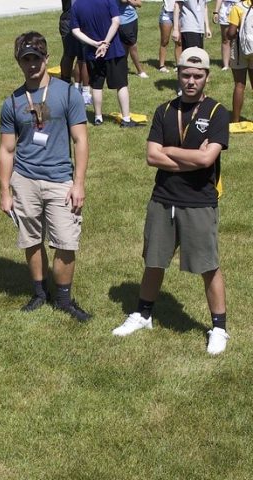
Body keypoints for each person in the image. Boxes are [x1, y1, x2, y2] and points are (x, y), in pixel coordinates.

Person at [112, 48, 230, 355]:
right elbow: (152, 156)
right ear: (177, 74)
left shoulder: (218, 113)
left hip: (199, 201)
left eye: (197, 75)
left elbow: (208, 158)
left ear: (207, 77)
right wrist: (190, 158)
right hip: (163, 198)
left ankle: (219, 328)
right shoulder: (164, 110)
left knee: (208, 265)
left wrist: (171, 151)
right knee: (154, 259)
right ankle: (143, 314)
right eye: (186, 75)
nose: (191, 81)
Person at [0, 32, 91, 321]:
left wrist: (78, 184)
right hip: (24, 179)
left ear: (46, 59)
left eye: (36, 59)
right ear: (19, 62)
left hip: (60, 179)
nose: (32, 65)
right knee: (30, 239)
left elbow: (81, 141)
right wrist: (5, 191)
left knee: (65, 241)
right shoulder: (12, 102)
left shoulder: (67, 93)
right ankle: (40, 293)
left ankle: (63, 299)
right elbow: (6, 149)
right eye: (26, 60)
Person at [71, 0, 140, 127]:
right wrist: (105, 43)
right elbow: (116, 21)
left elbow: (75, 30)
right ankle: (126, 119)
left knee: (96, 86)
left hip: (93, 52)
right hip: (114, 50)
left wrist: (94, 43)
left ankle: (98, 117)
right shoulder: (109, 0)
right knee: (121, 84)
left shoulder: (77, 5)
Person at [59, 0, 93, 105]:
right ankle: (84, 92)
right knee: (82, 58)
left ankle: (69, 86)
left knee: (71, 55)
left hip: (68, 17)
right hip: (77, 17)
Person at [226, 0, 253, 123]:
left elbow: (231, 33)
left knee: (239, 85)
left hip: (239, 50)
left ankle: (235, 121)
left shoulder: (238, 7)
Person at [118, 0, 149, 78]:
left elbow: (139, 3)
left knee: (127, 45)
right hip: (123, 21)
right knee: (132, 45)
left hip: (133, 18)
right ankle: (140, 70)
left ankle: (122, 68)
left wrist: (133, 2)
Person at [214, 0, 239, 70]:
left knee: (240, 38)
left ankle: (238, 61)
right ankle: (226, 65)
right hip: (226, 9)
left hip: (241, 8)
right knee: (226, 39)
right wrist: (216, 12)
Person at [158, 0, 182, 72]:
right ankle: (162, 65)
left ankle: (179, 65)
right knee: (164, 41)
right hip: (167, 13)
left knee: (179, 41)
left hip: (180, 13)